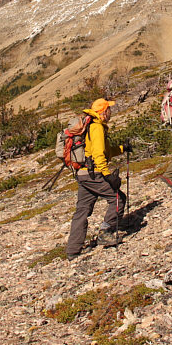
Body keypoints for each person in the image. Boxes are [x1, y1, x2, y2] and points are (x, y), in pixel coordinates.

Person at [66, 98, 128, 260]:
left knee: (82, 210)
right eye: (109, 110)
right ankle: (105, 232)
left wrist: (122, 149)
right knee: (118, 199)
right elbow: (99, 155)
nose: (110, 113)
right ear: (103, 112)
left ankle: (73, 250)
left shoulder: (91, 126)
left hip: (83, 174)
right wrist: (107, 175)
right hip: (93, 173)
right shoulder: (97, 128)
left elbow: (105, 151)